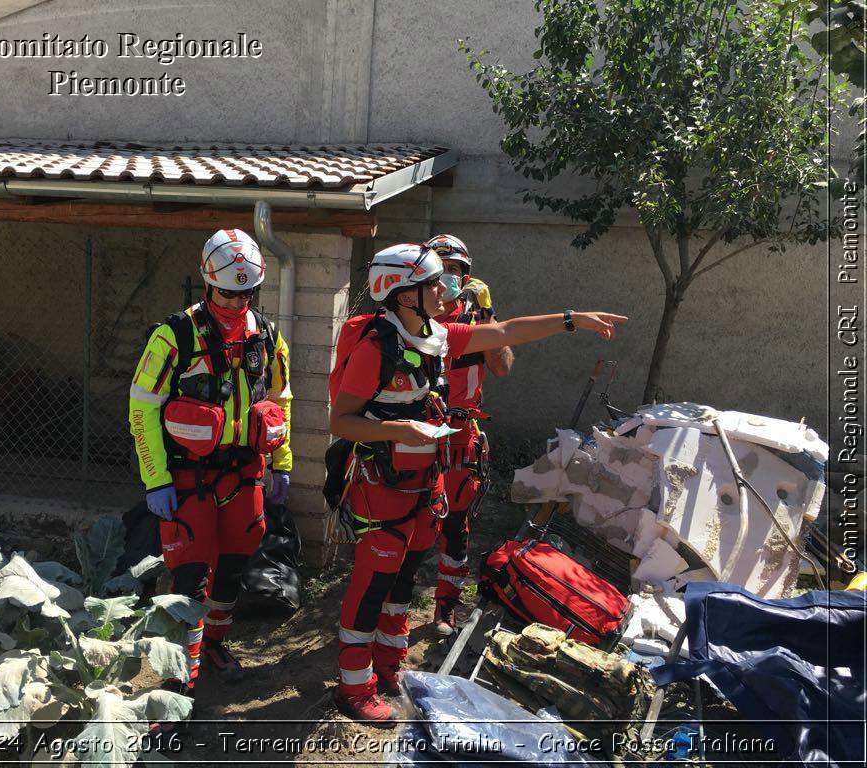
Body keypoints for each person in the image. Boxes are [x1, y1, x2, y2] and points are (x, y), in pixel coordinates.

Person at [329, 242, 626, 724]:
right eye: (432, 282)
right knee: (370, 585)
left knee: (404, 578)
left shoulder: (435, 335)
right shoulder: (376, 348)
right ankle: (352, 685)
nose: (445, 288)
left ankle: (387, 664)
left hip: (426, 483)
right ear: (404, 295)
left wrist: (572, 318)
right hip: (382, 485)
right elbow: (342, 420)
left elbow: (505, 332)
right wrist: (395, 430)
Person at [128, 228, 293, 691]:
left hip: (244, 473)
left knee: (236, 564)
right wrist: (155, 479)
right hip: (188, 476)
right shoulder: (174, 335)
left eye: (247, 293)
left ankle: (215, 643)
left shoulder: (269, 337)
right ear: (207, 281)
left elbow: (280, 400)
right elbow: (143, 405)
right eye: (228, 292)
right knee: (192, 575)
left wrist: (282, 461)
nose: (237, 302)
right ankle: (179, 680)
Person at [425, 234, 512, 636]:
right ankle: (391, 603)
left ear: (467, 277)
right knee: (409, 521)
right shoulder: (414, 316)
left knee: (456, 524)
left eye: (454, 271)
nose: (446, 279)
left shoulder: (477, 323)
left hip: (461, 434)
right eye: (439, 270)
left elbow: (503, 367)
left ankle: (446, 603)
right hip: (419, 431)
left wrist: (490, 313)